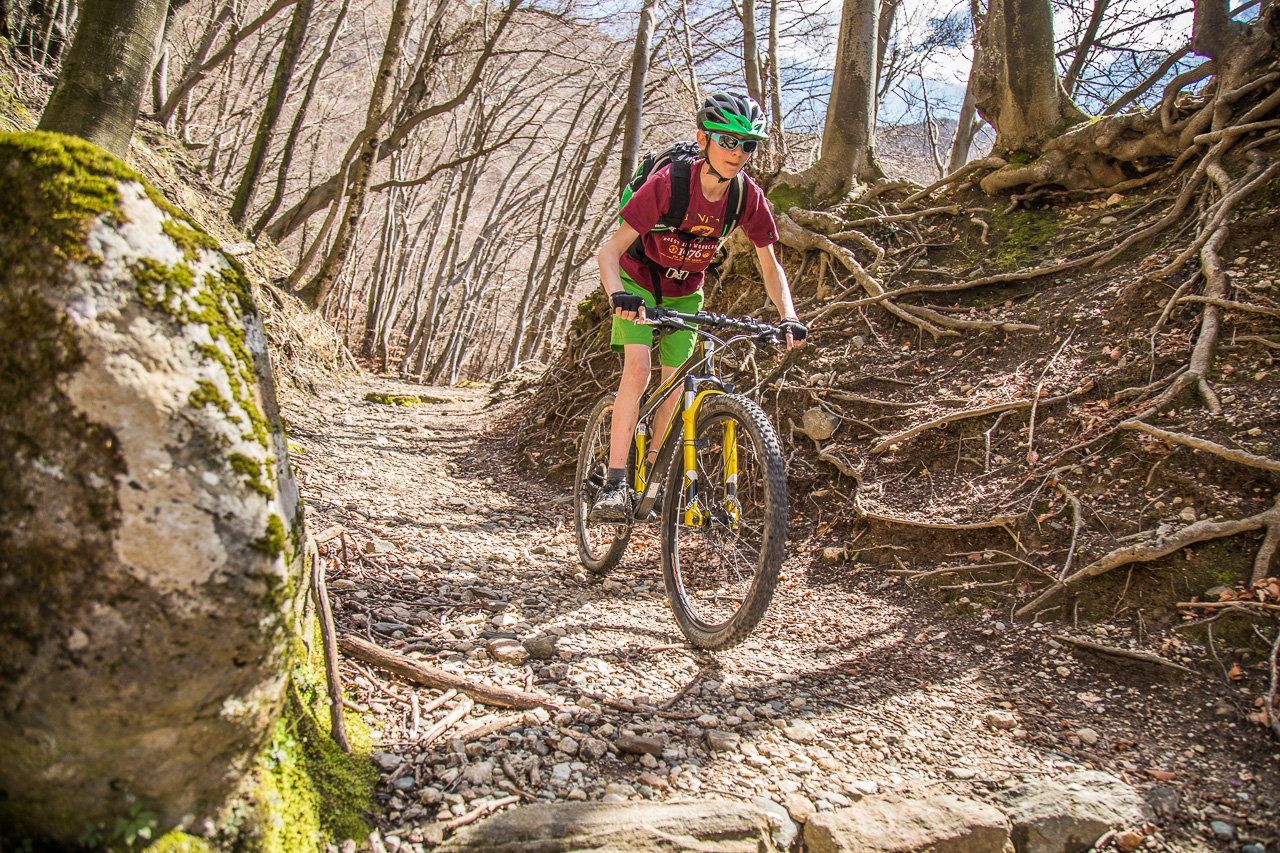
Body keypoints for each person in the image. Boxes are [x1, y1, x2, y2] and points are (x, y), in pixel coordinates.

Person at [590, 91, 806, 521]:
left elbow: (771, 265)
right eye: (728, 141)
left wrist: (789, 316)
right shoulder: (669, 184)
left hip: (685, 290)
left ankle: (650, 479)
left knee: (674, 384)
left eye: (747, 145)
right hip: (636, 281)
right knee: (639, 369)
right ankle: (614, 484)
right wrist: (617, 295)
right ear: (703, 139)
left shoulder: (745, 195)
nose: (737, 152)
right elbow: (609, 251)